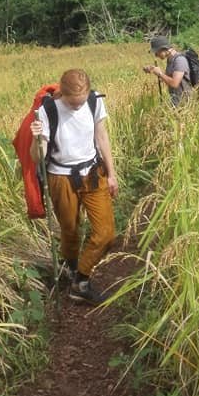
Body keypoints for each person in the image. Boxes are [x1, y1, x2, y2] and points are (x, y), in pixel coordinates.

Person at [30, 68, 119, 306]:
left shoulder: (94, 101)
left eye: (81, 101)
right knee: (69, 231)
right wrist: (36, 139)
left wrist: (112, 173)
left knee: (106, 233)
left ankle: (81, 279)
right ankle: (72, 272)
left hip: (93, 173)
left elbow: (102, 137)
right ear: (63, 93)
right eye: (73, 103)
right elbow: (37, 156)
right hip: (61, 178)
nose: (78, 107)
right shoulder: (47, 110)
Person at [143, 36, 193, 106]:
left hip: (184, 103)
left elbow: (174, 83)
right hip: (175, 102)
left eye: (156, 52)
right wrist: (153, 69)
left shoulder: (179, 60)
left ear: (164, 49)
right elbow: (169, 79)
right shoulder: (170, 60)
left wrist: (160, 73)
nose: (156, 55)